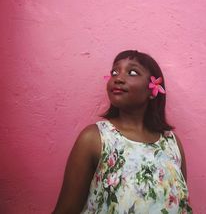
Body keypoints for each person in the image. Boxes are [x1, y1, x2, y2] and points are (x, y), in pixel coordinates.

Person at [53, 50, 192, 214]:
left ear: (153, 90)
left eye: (132, 72)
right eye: (114, 72)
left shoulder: (172, 144)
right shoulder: (95, 139)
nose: (118, 78)